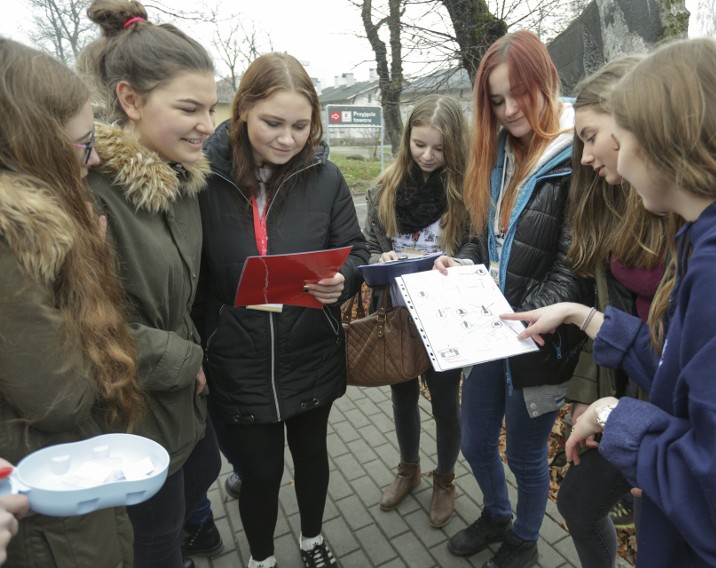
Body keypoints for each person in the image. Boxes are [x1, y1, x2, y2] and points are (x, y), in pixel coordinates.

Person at [506, 37, 716, 567]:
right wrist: (587, 319)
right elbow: (690, 376)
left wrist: (614, 416)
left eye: (613, 134)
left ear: (661, 137)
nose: (603, 153)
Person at [196, 52, 368, 568]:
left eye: (301, 125)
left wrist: (345, 279)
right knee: (262, 472)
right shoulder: (201, 176)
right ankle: (261, 558)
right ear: (243, 109)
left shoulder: (325, 176)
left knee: (312, 458)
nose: (288, 139)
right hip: (237, 354)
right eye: (273, 123)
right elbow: (189, 276)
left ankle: (312, 540)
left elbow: (355, 249)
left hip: (310, 345)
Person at [434, 30, 591, 568]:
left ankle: (526, 536)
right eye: (496, 101)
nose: (508, 110)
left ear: (546, 80)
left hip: (538, 341)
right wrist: (461, 261)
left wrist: (512, 323)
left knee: (525, 454)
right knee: (475, 442)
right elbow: (489, 239)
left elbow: (575, 269)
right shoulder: (498, 152)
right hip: (489, 333)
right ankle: (497, 513)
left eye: (517, 94)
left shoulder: (577, 158)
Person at [77, 2, 222, 567]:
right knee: (154, 539)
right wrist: (186, 357)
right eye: (189, 107)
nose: (208, 125)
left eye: (210, 107)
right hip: (129, 413)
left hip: (180, 396)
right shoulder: (93, 194)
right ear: (130, 101)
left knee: (198, 480)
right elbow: (87, 328)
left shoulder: (181, 183)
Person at [0, 36, 145, 567]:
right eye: (84, 143)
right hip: (45, 516)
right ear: (32, 143)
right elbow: (61, 397)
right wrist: (92, 264)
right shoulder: (17, 242)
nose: (97, 156)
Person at [556, 55, 668, 568]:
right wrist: (592, 398)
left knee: (653, 532)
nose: (583, 157)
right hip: (628, 389)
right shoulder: (612, 199)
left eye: (590, 135)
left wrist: (614, 412)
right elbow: (609, 314)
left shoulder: (687, 220)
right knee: (578, 504)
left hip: (662, 403)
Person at [363, 94, 469, 527]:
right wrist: (380, 260)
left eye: (439, 148)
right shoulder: (383, 189)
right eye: (419, 144)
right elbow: (370, 245)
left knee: (446, 404)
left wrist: (457, 262)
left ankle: (445, 479)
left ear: (454, 148)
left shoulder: (464, 193)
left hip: (444, 319)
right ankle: (409, 469)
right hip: (397, 315)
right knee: (402, 395)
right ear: (407, 139)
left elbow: (474, 249)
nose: (427, 156)